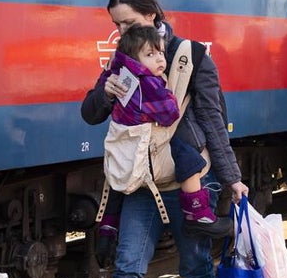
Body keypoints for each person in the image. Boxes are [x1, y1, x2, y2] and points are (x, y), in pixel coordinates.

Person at [79, 0, 247, 278]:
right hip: (140, 181)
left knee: (194, 267)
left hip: (183, 180)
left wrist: (231, 177)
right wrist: (105, 92)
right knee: (128, 266)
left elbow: (212, 120)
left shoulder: (193, 57)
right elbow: (89, 113)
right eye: (116, 26)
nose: (121, 32)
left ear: (152, 15)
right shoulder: (123, 58)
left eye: (129, 22)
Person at [94, 24, 230, 239]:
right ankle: (196, 209)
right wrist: (170, 94)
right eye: (150, 54)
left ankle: (109, 224)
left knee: (118, 176)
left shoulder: (121, 75)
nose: (159, 59)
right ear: (133, 60)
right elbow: (169, 113)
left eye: (160, 53)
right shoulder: (147, 83)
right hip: (146, 138)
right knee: (190, 159)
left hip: (123, 139)